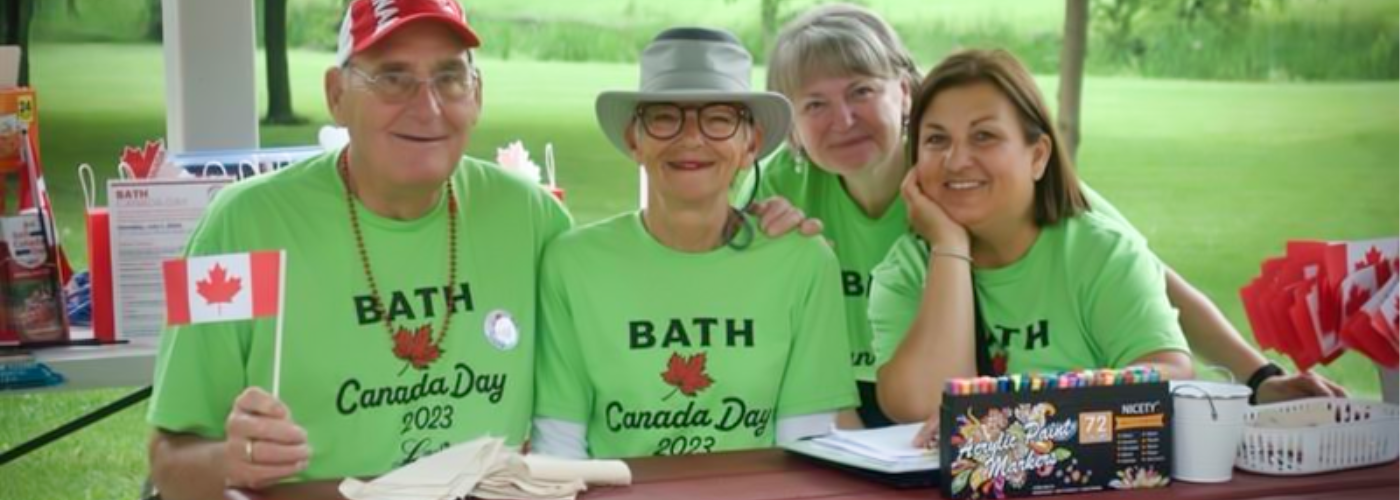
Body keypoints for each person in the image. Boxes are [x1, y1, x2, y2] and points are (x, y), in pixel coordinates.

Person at [744, 4, 1343, 426]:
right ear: (789, 118)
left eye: (860, 91)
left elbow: (1149, 281)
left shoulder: (976, 180)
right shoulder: (785, 185)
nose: (841, 120)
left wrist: (1257, 376)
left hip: (991, 400)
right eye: (814, 103)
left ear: (904, 89)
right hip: (868, 399)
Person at [146, 1, 571, 498]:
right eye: (393, 78)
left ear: (476, 95)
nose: (428, 106)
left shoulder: (533, 221)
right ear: (336, 95)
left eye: (450, 77)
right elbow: (166, 462)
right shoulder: (238, 226)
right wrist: (231, 460)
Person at [531, 27, 857, 459]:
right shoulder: (572, 263)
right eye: (665, 116)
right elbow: (559, 442)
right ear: (635, 140)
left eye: (718, 118)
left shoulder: (802, 260)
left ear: (751, 144)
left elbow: (806, 440)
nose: (690, 137)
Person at [870, 48, 1196, 425]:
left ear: (1038, 156)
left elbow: (1168, 374)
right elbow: (922, 408)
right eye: (937, 140)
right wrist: (950, 249)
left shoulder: (1101, 253)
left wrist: (1016, 407)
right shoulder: (904, 271)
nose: (956, 160)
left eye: (984, 136)